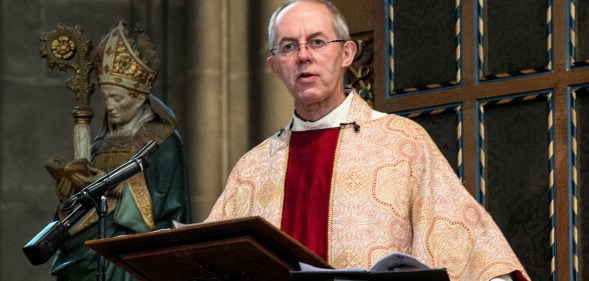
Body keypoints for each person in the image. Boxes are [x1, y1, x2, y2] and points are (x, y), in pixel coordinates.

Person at [205, 1, 530, 281]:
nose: (303, 55)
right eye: (288, 46)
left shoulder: (402, 144)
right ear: (274, 66)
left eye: (317, 42)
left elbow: (475, 257)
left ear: (347, 53)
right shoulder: (253, 168)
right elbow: (206, 262)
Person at [46, 21, 191, 281]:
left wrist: (117, 191)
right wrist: (68, 197)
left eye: (117, 98)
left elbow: (171, 212)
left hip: (130, 256)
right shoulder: (99, 144)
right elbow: (80, 215)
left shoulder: (161, 141)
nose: (110, 106)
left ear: (138, 98)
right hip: (87, 253)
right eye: (106, 97)